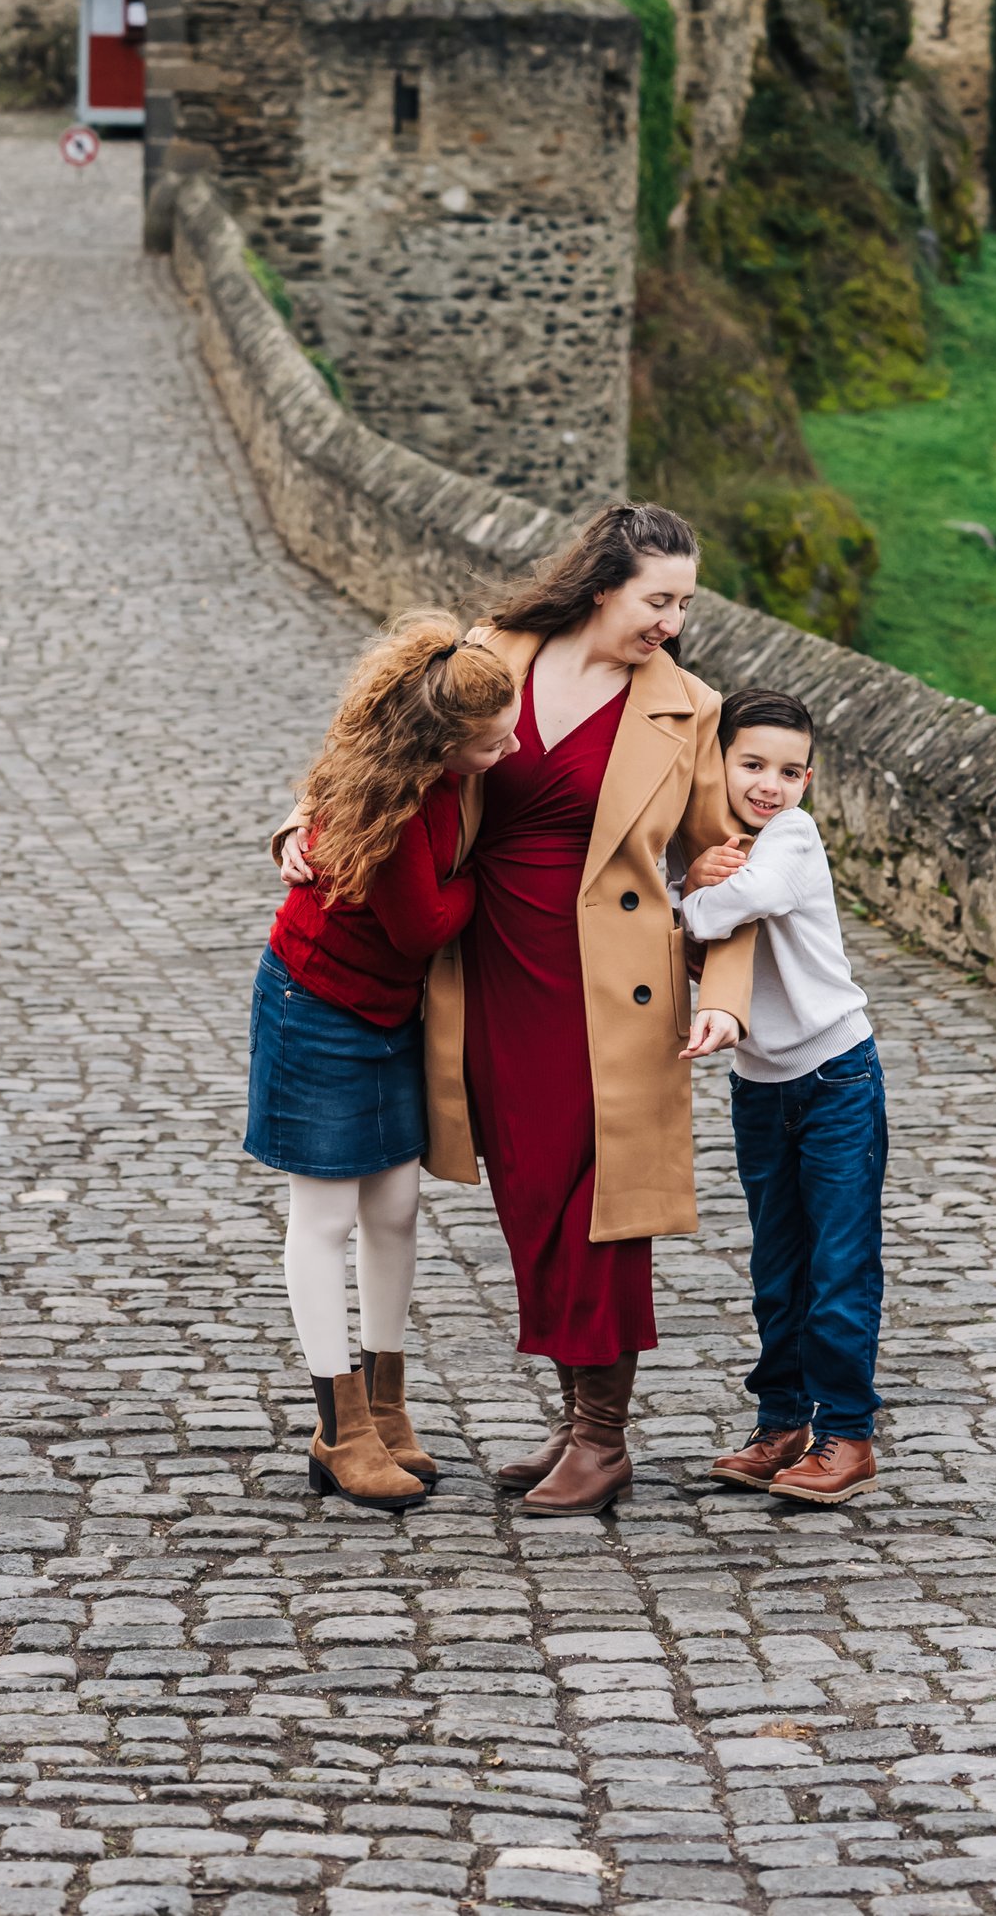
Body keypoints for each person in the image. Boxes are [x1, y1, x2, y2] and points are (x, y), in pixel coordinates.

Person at [287, 502, 757, 1516]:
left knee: (604, 1209)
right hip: (485, 972)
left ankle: (603, 1439)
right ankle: (573, 1414)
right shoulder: (493, 654)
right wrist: (298, 813)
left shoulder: (690, 708)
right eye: (658, 599)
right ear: (601, 587)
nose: (672, 622)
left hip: (615, 995)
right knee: (535, 1203)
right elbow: (382, 745)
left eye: (683, 603)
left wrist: (721, 994)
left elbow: (727, 868)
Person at [247, 614, 521, 1510]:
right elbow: (427, 924)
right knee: (324, 1214)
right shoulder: (400, 806)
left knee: (395, 1207)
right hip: (317, 1005)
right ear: (439, 743)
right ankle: (339, 1426)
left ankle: (389, 1405)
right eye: (492, 743)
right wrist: (493, 875)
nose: (509, 749)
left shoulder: (423, 720)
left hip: (387, 1010)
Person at [680, 686, 886, 1506]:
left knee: (839, 1265)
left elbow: (746, 901)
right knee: (777, 1266)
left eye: (791, 770)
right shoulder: (713, 844)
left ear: (809, 780)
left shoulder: (790, 839)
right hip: (759, 1089)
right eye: (752, 764)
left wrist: (683, 897)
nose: (771, 784)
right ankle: (781, 1422)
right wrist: (690, 880)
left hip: (838, 1077)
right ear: (718, 763)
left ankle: (848, 1435)